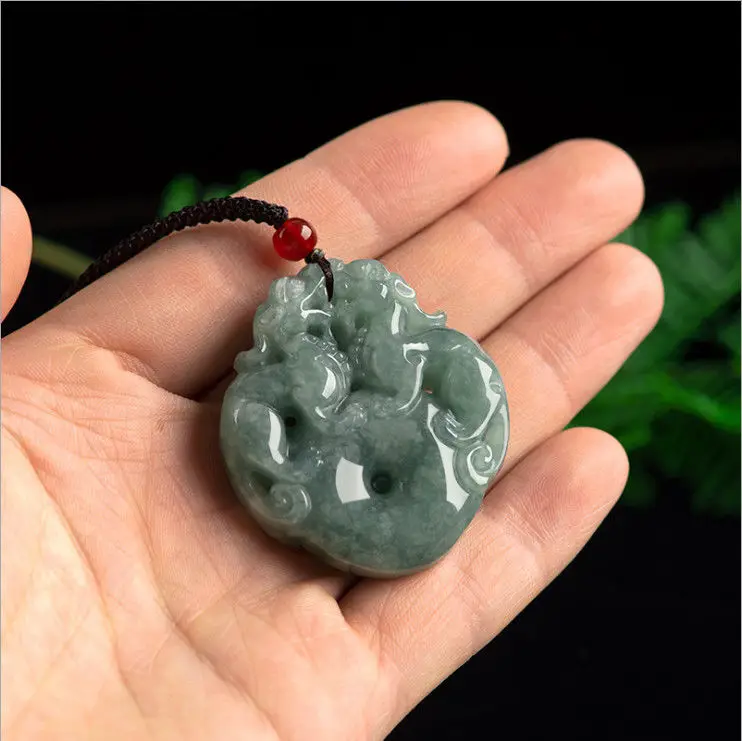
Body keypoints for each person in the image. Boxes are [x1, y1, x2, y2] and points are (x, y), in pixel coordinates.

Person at [1, 102, 663, 740]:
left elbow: (381, 396)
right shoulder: (303, 385)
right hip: (355, 480)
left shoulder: (401, 363)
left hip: (397, 484)